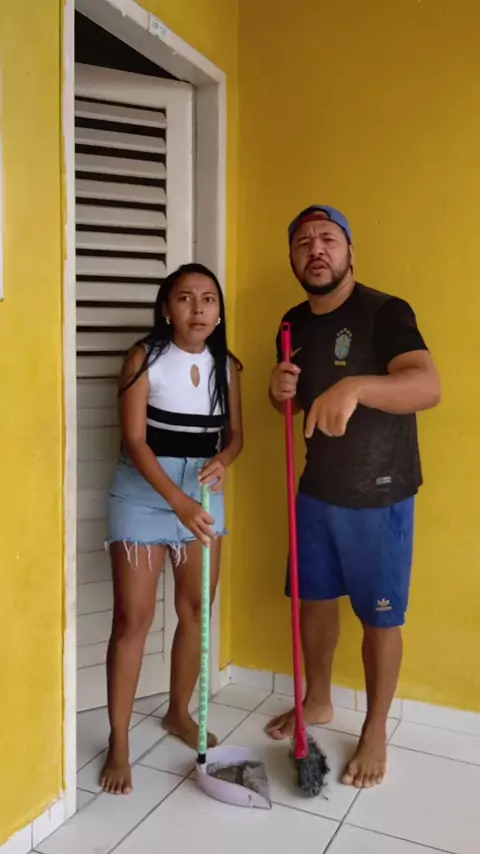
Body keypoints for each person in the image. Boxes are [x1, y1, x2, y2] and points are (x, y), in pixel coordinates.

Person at [267, 205, 441, 789]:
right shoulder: (291, 322)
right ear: (293, 259)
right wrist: (276, 391)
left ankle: (374, 729)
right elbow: (292, 407)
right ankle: (318, 700)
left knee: (379, 617)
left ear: (349, 252)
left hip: (381, 492)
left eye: (328, 239)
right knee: (314, 600)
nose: (316, 249)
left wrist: (357, 386)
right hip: (318, 487)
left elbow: (427, 386)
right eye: (303, 242)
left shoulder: (385, 312)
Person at [101, 262, 243, 795]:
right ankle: (119, 740)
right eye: (185, 298)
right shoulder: (144, 358)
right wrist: (177, 501)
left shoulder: (226, 365)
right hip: (145, 492)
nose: (198, 308)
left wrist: (224, 460)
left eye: (209, 299)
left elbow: (236, 437)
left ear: (219, 312)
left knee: (196, 611)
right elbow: (135, 441)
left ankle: (178, 713)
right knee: (131, 620)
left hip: (201, 494)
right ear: (166, 309)